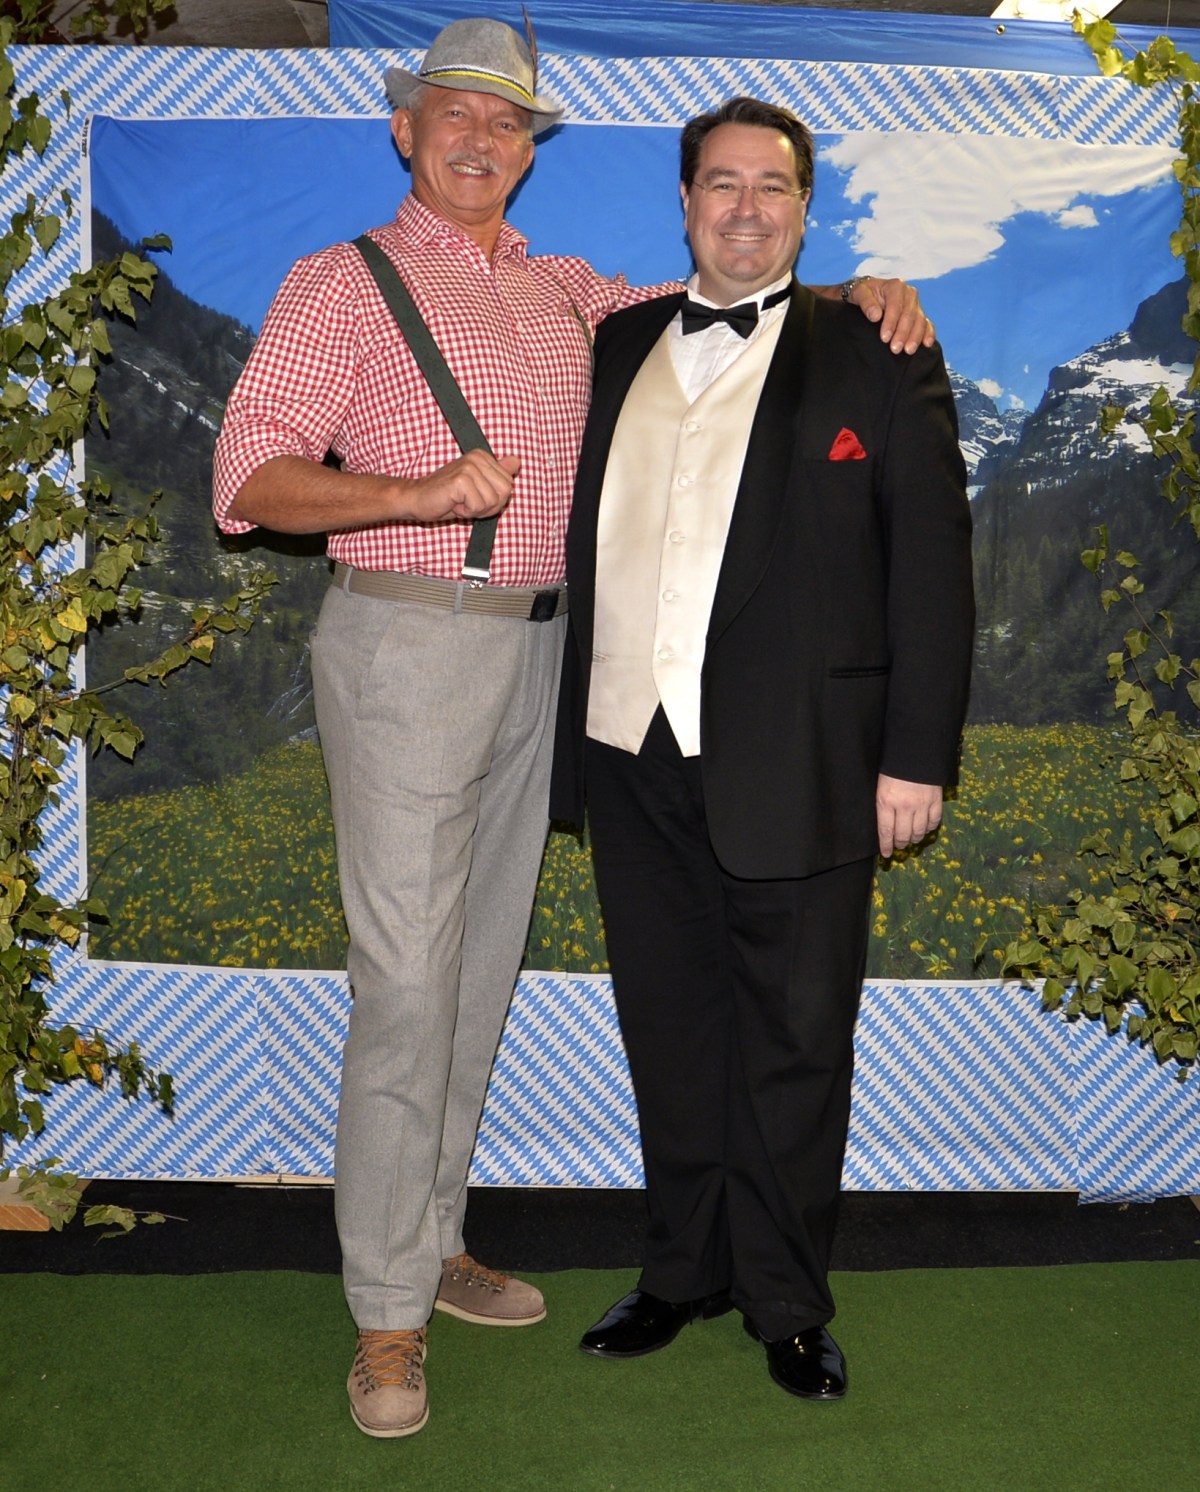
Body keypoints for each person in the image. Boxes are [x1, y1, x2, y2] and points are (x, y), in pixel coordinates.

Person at [212, 19, 934, 1439]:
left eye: (508, 122)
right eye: (454, 114)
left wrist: (862, 291)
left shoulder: (575, 294)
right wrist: (413, 496)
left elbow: (735, 294)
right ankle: (387, 1313)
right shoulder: (336, 283)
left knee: (476, 975)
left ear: (533, 150)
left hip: (555, 667)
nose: (481, 139)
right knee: (405, 986)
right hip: (410, 644)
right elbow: (247, 484)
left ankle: (435, 1238)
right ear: (405, 130)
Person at [551, 94, 974, 1402]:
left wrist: (917, 756)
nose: (746, 207)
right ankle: (681, 1269)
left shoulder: (880, 352)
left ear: (805, 207)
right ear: (685, 203)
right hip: (627, 752)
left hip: (805, 760)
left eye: (773, 186)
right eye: (722, 184)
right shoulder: (616, 341)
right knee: (670, 1031)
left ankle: (786, 1299)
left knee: (796, 1044)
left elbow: (932, 572)